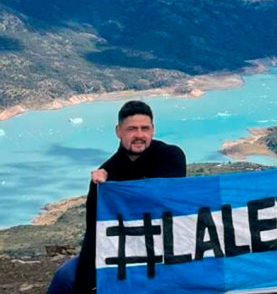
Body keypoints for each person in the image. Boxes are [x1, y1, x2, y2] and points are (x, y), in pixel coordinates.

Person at [47, 100, 186, 294]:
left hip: (168, 248)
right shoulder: (105, 177)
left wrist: (117, 185)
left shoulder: (171, 156)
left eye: (145, 128)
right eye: (131, 129)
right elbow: (94, 231)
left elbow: (167, 199)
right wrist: (88, 282)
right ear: (118, 131)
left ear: (152, 130)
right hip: (119, 251)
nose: (139, 135)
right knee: (65, 279)